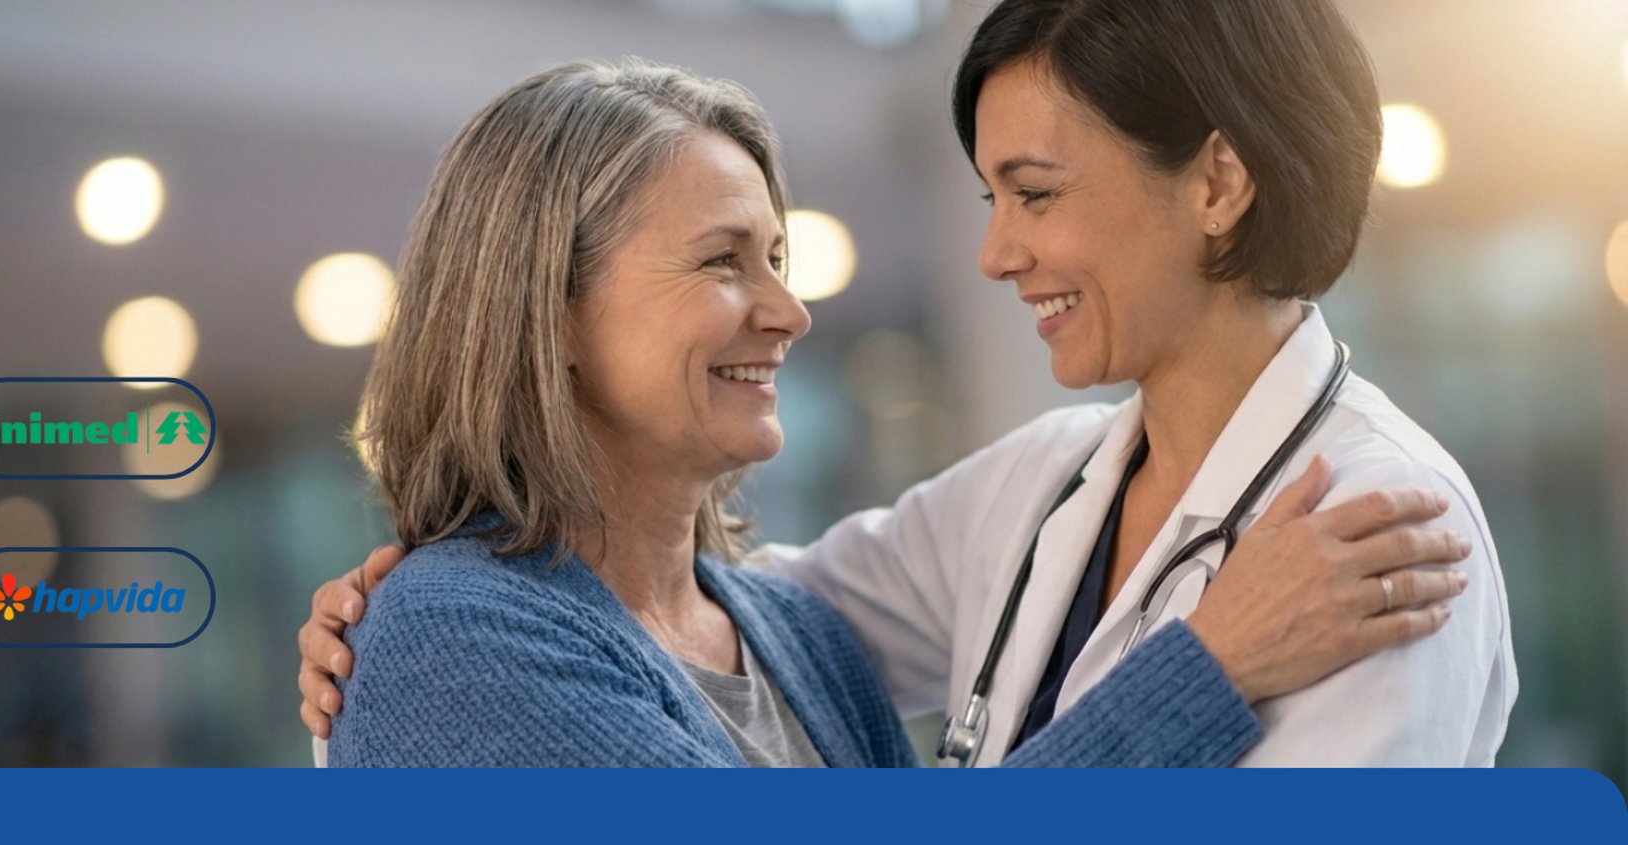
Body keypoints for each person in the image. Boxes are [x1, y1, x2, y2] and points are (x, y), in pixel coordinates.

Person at [308, 55, 1472, 768]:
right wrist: (1209, 666)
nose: (789, 312)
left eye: (780, 256)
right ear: (544, 309)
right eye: (725, 262)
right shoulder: (457, 636)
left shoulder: (792, 636)